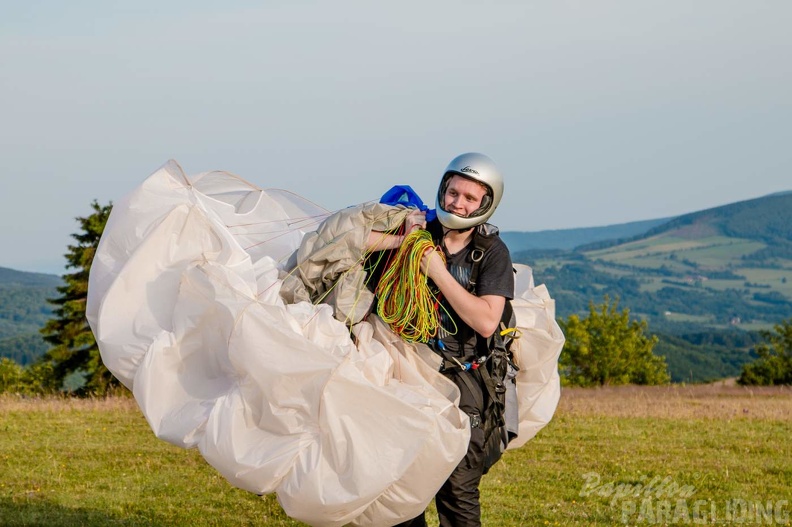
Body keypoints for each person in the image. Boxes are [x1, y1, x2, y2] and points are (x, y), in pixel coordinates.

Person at [388, 152, 515, 527]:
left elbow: (487, 321)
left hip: (465, 380)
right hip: (408, 372)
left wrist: (437, 271)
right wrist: (403, 239)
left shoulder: (492, 253)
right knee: (401, 489)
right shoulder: (418, 230)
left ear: (485, 204)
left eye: (469, 198)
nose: (458, 203)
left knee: (457, 492)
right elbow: (355, 240)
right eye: (453, 193)